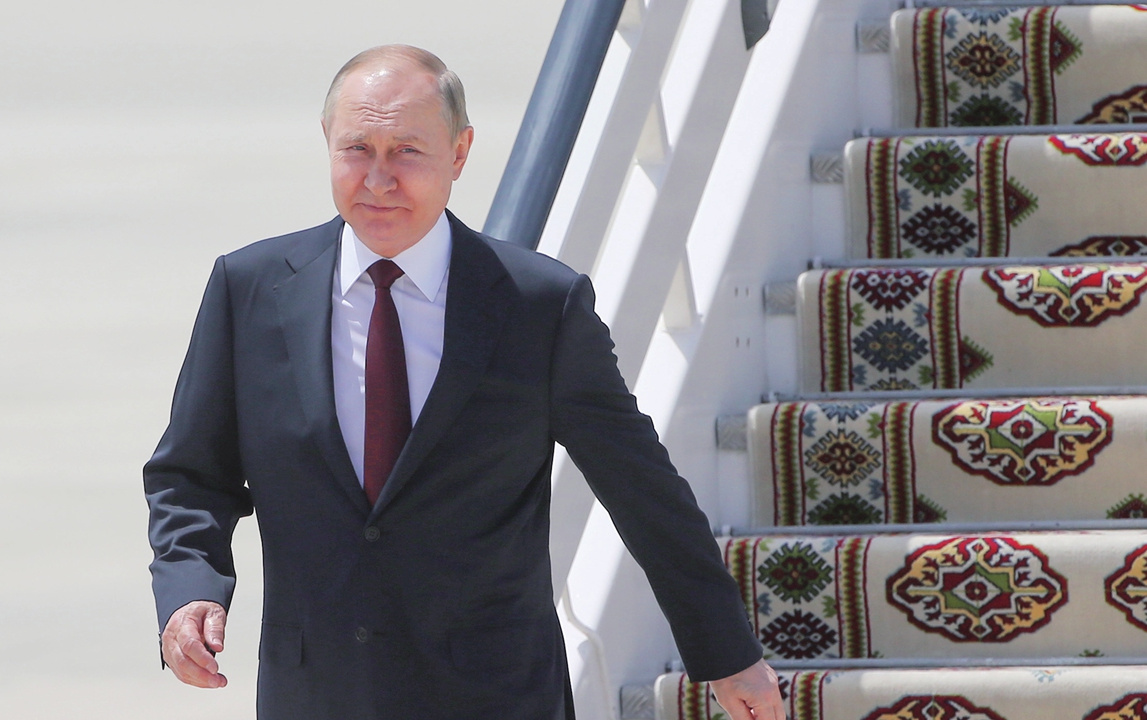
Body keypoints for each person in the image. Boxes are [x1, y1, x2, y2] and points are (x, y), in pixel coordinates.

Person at [145, 44, 782, 720]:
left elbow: (641, 488)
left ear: (460, 152)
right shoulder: (250, 290)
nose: (379, 178)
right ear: (326, 142)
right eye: (358, 148)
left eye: (407, 152)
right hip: (316, 692)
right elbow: (192, 474)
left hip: (495, 694)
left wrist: (727, 654)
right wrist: (190, 590)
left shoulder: (538, 304)